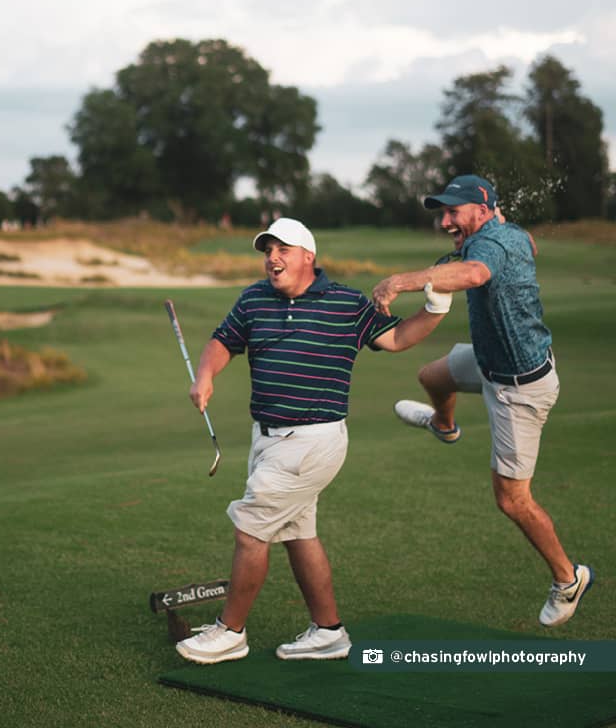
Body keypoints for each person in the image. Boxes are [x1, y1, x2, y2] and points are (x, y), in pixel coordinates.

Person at [175, 217, 452, 665]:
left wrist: (436, 309)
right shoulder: (253, 299)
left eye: (282, 249)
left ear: (308, 257)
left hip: (312, 440)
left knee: (251, 527)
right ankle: (329, 631)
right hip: (266, 438)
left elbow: (397, 337)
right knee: (298, 533)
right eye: (267, 250)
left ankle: (231, 632)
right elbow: (223, 341)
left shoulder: (344, 302)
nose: (272, 258)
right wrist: (206, 375)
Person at [371, 174, 594, 628]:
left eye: (453, 212)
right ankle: (444, 425)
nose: (445, 221)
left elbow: (475, 273)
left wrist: (401, 281)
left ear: (482, 208)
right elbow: (514, 245)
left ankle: (569, 579)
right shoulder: (499, 234)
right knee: (431, 376)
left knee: (512, 500)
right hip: (490, 362)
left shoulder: (490, 246)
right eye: (442, 213)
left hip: (519, 389)